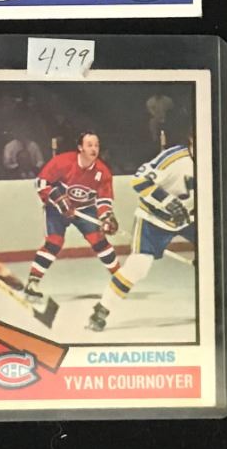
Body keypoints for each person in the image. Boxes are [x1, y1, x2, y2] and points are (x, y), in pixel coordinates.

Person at [87, 139, 196, 330]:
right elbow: (139, 180)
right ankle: (102, 308)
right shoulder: (174, 158)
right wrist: (167, 201)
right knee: (138, 266)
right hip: (153, 219)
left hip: (191, 218)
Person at [22, 132, 120, 304]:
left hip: (85, 209)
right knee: (54, 243)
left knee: (99, 242)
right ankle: (33, 282)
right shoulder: (62, 162)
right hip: (56, 210)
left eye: (96, 145)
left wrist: (106, 216)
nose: (94, 149)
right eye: (89, 145)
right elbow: (40, 183)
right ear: (80, 147)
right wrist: (58, 199)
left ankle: (120, 280)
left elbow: (104, 198)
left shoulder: (102, 171)